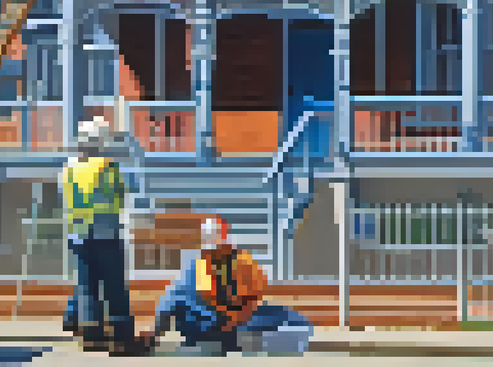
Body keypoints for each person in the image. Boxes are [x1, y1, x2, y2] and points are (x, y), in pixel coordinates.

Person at [144, 217, 313, 355]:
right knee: (174, 297)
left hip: (235, 321)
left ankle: (227, 339)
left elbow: (251, 303)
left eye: (217, 248)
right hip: (209, 320)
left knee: (289, 317)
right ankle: (153, 338)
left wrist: (233, 320)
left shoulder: (244, 263)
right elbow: (204, 298)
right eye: (210, 249)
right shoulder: (200, 264)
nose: (214, 253)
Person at [61, 117, 147, 356]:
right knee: (114, 287)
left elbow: (65, 198)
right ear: (101, 142)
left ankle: (92, 338)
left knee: (87, 288)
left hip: (79, 236)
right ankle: (121, 337)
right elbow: (119, 196)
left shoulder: (69, 168)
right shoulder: (107, 167)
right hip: (105, 234)